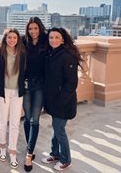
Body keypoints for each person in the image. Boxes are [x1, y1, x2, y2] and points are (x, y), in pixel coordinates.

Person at [41, 27, 82, 171]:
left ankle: (66, 159)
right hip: (53, 100)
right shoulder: (52, 53)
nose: (53, 40)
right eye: (51, 37)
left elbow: (72, 83)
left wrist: (61, 101)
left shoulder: (67, 56)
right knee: (56, 128)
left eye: (57, 37)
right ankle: (55, 154)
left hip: (63, 102)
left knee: (59, 130)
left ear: (63, 39)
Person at [0, 28, 26, 169]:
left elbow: (25, 71)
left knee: (15, 122)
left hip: (17, 91)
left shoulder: (22, 53)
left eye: (14, 37)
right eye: (9, 37)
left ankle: (12, 150)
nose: (12, 40)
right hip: (2, 91)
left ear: (18, 39)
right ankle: (2, 146)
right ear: (5, 38)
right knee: (2, 120)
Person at [21, 17, 48, 172]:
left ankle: (29, 154)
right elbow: (7, 47)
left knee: (35, 119)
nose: (33, 32)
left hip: (40, 85)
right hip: (25, 84)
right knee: (27, 117)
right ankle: (29, 146)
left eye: (36, 28)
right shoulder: (24, 41)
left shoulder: (46, 41)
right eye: (30, 29)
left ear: (40, 28)